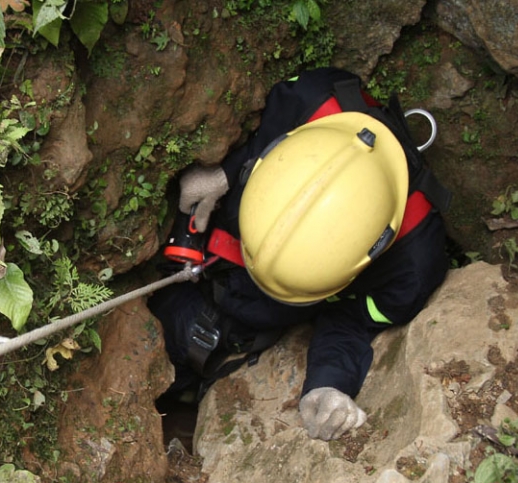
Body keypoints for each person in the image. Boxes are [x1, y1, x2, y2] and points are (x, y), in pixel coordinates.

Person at [148, 67, 451, 441]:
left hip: (248, 323)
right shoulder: (312, 99)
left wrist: (330, 383)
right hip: (203, 253)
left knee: (193, 339)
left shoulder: (411, 267)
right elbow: (258, 141)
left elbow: (351, 323)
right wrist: (224, 174)